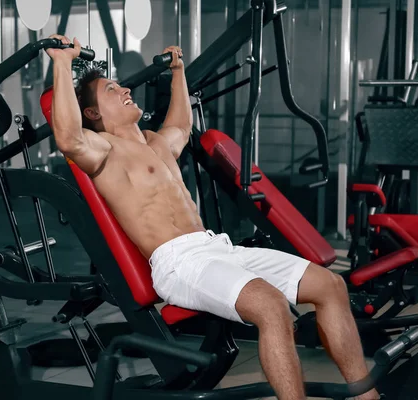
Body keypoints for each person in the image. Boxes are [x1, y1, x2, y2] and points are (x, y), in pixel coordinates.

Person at [46, 34, 382, 400]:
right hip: (179, 263)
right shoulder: (103, 151)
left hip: (216, 248)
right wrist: (61, 63)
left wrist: (178, 73)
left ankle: (366, 395)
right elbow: (67, 137)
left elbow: (181, 124)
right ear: (93, 113)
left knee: (331, 286)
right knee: (271, 307)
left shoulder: (155, 142)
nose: (125, 89)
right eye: (112, 89)